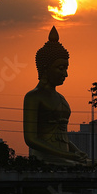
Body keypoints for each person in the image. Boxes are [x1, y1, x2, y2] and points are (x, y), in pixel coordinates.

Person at [23, 26, 88, 166]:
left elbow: (61, 137)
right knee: (76, 166)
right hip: (44, 160)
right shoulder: (33, 97)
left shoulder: (61, 98)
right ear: (45, 68)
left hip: (65, 157)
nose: (65, 74)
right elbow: (31, 139)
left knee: (93, 164)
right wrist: (66, 155)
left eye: (66, 68)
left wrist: (76, 152)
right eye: (61, 68)